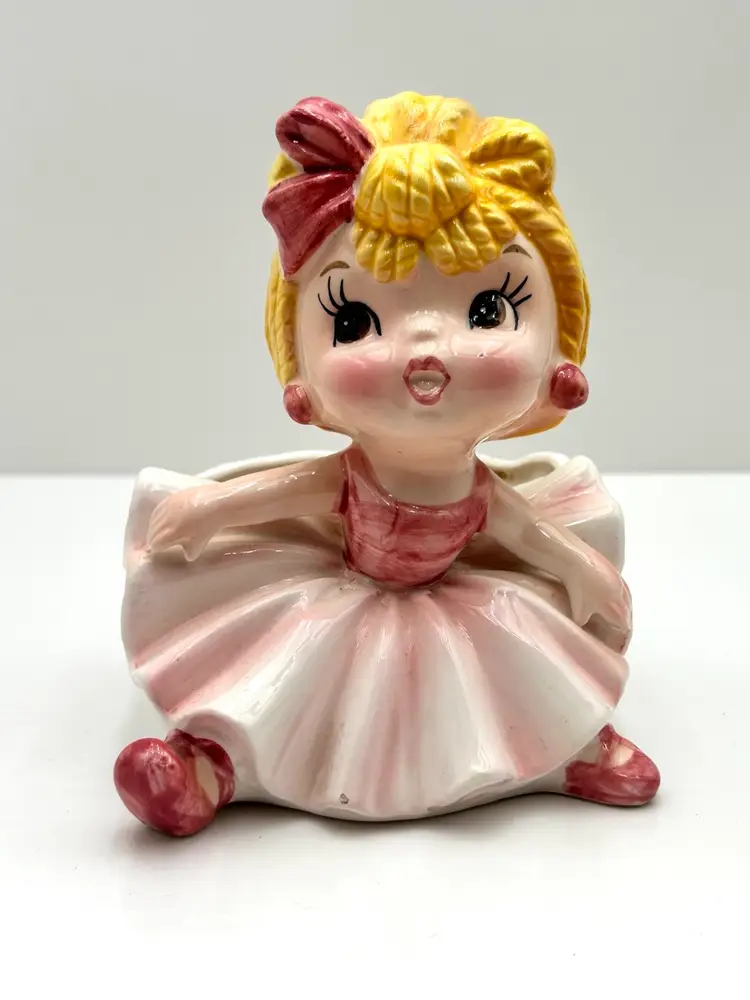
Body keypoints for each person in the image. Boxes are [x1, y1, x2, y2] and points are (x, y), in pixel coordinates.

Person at [114, 93, 660, 837]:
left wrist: (582, 568)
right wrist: (213, 508)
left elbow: (525, 534)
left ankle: (564, 749)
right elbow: (285, 495)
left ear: (558, 356)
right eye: (355, 320)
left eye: (489, 310)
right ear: (302, 375)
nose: (427, 348)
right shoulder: (352, 477)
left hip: (459, 601)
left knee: (519, 678)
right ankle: (210, 765)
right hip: (343, 599)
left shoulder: (477, 491)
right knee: (286, 688)